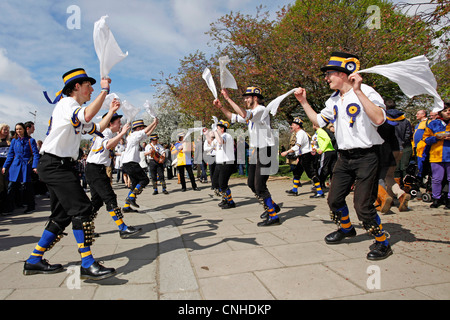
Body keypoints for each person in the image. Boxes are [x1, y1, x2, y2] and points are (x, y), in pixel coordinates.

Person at [294, 52, 392, 260]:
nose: (326, 78)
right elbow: (319, 122)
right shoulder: (333, 100)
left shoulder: (366, 91)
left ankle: (382, 242)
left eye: (329, 74)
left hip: (367, 156)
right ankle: (347, 229)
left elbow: (379, 119)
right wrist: (303, 102)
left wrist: (358, 91)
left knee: (362, 206)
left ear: (344, 74)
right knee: (334, 199)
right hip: (344, 157)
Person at [24, 68, 117, 280]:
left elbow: (96, 127)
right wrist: (105, 90)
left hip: (60, 165)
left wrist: (110, 110)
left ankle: (34, 260)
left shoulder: (73, 109)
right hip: (54, 164)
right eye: (89, 86)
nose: (91, 89)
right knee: (83, 209)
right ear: (77, 86)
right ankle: (87, 263)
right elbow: (86, 115)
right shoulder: (68, 104)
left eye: (94, 87)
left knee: (62, 215)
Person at [214, 86, 281, 227]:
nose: (245, 99)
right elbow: (232, 116)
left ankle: (273, 216)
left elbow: (244, 115)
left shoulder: (261, 110)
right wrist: (221, 107)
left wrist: (227, 98)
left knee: (260, 185)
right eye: (244, 97)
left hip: (266, 150)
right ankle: (273, 206)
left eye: (247, 97)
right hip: (256, 150)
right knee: (251, 183)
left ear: (255, 98)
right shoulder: (251, 113)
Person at [85, 112, 142, 238]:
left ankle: (85, 227)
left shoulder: (107, 132)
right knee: (109, 197)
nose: (120, 124)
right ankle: (122, 228)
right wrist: (121, 133)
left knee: (97, 201)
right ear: (110, 123)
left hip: (94, 168)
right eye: (118, 122)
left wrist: (119, 133)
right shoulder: (105, 132)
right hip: (95, 169)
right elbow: (108, 145)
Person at [281, 117, 324, 198]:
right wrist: (298, 156)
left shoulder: (301, 133)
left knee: (311, 174)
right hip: (302, 156)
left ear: (298, 126)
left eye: (293, 125)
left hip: (306, 156)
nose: (291, 126)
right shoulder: (299, 133)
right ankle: (294, 190)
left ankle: (320, 192)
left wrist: (286, 152)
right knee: (297, 172)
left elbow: (297, 146)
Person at [2, 122, 40, 214]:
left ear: (24, 129)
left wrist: (35, 166)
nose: (18, 131)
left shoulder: (31, 141)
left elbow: (35, 154)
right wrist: (5, 166)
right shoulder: (14, 141)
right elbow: (10, 155)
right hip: (15, 166)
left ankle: (31, 206)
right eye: (17, 129)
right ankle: (9, 208)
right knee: (11, 187)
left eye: (20, 129)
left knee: (27, 187)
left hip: (25, 166)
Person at [122, 118, 158, 212]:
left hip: (128, 162)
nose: (143, 129)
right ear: (138, 128)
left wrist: (155, 125)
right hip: (131, 162)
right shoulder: (134, 134)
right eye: (142, 127)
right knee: (144, 180)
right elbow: (145, 131)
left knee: (134, 184)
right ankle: (131, 198)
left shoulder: (133, 136)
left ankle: (126, 206)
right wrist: (153, 122)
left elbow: (147, 134)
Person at [422, 103, 450, 209]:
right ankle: (436, 199)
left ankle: (449, 200)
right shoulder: (433, 124)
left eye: (449, 111)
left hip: (449, 155)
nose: (448, 112)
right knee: (436, 179)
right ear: (440, 113)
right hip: (436, 155)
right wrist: (436, 138)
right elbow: (425, 139)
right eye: (446, 110)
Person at [212, 120, 237, 209]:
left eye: (218, 128)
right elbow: (211, 142)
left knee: (223, 183)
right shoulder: (219, 136)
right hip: (219, 163)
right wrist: (206, 132)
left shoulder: (227, 136)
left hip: (226, 163)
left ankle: (230, 202)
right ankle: (225, 198)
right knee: (215, 183)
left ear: (222, 129)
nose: (216, 129)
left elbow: (221, 142)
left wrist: (215, 131)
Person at [0, 124, 11, 215]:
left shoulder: (9, 141)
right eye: (4, 129)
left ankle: (6, 207)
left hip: (7, 166)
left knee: (7, 186)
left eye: (7, 129)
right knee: (1, 187)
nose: (6, 131)